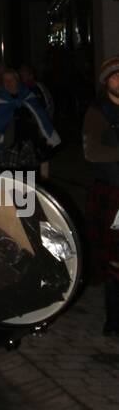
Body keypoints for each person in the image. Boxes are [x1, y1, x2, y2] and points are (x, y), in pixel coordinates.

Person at [82, 56, 119, 335]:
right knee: (115, 257)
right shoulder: (98, 112)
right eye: (116, 76)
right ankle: (114, 319)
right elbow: (91, 152)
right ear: (106, 81)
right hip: (112, 191)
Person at [0, 65, 60, 171]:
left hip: (29, 143)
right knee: (10, 180)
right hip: (8, 144)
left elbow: (41, 117)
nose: (8, 82)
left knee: (29, 180)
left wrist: (46, 137)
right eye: (5, 80)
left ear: (17, 80)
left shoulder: (28, 95)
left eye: (11, 79)